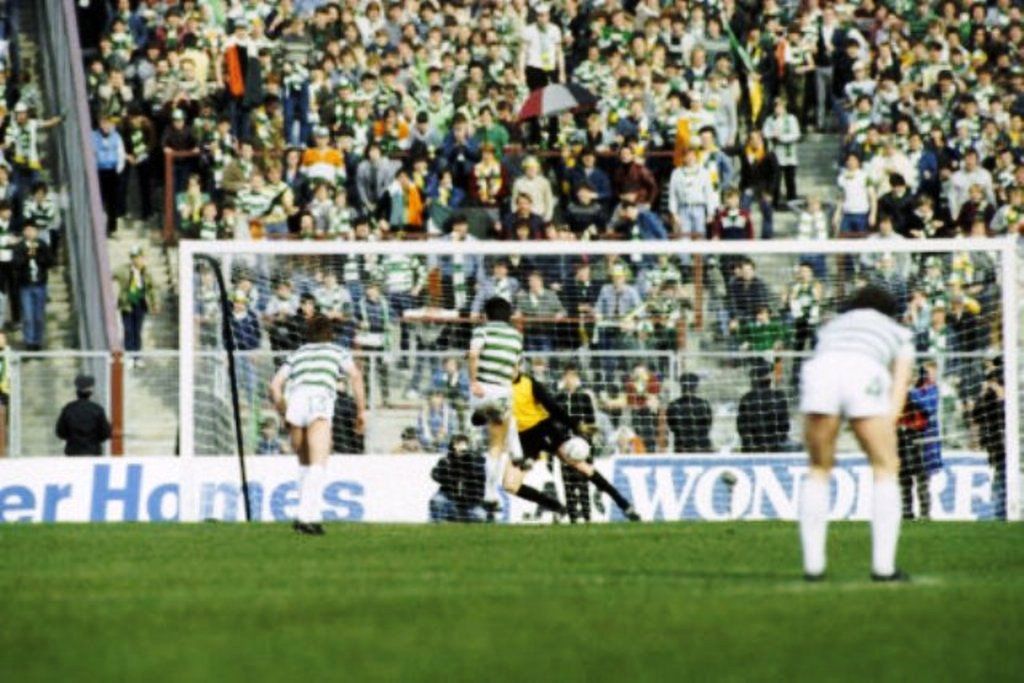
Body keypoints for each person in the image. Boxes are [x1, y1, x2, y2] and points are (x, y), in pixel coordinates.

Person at [798, 285, 915, 582]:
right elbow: (899, 386)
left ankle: (813, 568)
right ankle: (884, 568)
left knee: (818, 468)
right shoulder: (898, 333)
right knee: (885, 466)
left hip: (820, 370)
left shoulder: (833, 326)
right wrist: (882, 426)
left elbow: (820, 357)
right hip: (864, 370)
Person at [476, 366, 640, 521]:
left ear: (518, 366)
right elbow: (476, 420)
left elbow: (553, 407)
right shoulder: (498, 390)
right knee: (510, 485)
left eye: (513, 366)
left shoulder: (529, 383)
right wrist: (485, 413)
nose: (509, 370)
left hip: (544, 429)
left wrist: (576, 426)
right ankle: (556, 507)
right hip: (523, 439)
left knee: (582, 467)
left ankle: (624, 505)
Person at [269, 316, 366, 535]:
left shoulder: (298, 353)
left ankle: (311, 517)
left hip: (296, 400)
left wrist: (283, 412)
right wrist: (361, 411)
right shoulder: (337, 351)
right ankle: (304, 517)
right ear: (330, 334)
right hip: (319, 399)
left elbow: (274, 386)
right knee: (318, 463)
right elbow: (356, 376)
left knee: (304, 464)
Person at [467, 296, 524, 512]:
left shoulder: (482, 330)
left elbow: (474, 355)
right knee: (497, 444)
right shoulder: (516, 337)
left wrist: (473, 381)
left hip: (481, 391)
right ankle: (516, 453)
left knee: (497, 432)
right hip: (502, 391)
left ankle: (490, 493)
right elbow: (516, 372)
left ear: (486, 314)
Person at [897, 363, 941, 520]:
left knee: (922, 478)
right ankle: (906, 512)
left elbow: (928, 407)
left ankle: (925, 514)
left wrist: (909, 392)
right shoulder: (902, 391)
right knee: (904, 476)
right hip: (903, 437)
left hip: (923, 440)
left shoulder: (931, 390)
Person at [113, 246, 161, 357]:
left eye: (138, 258)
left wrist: (155, 303)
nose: (136, 260)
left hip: (140, 304)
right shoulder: (124, 270)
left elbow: (153, 288)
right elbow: (110, 274)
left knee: (137, 330)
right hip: (127, 304)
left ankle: (137, 355)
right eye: (134, 258)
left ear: (142, 258)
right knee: (128, 330)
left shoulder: (146, 272)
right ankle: (129, 355)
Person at [429, 434, 487, 523]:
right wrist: (448, 475)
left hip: (469, 502)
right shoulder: (446, 460)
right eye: (458, 444)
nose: (461, 447)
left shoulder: (474, 461)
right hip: (449, 498)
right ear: (453, 446)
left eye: (463, 444)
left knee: (481, 515)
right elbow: (435, 474)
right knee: (437, 501)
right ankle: (436, 526)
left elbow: (480, 479)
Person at [973, 368, 1006, 520]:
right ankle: (1000, 513)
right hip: (997, 446)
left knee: (1002, 478)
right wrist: (982, 395)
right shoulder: (988, 400)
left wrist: (1002, 398)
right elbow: (976, 416)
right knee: (1000, 477)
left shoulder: (1012, 400)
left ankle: (1002, 512)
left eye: (993, 382)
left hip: (1010, 446)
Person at [13, 222, 51, 351]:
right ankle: (29, 341)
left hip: (40, 284)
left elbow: (49, 261)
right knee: (28, 316)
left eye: (32, 230)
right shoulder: (20, 247)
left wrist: (37, 255)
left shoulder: (42, 245)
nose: (30, 233)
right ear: (24, 232)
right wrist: (27, 255)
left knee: (39, 316)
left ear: (36, 231)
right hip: (25, 285)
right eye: (27, 230)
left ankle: (37, 341)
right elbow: (16, 264)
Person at [737, 362, 790, 452]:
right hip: (776, 448)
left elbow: (742, 429)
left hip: (752, 450)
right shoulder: (779, 396)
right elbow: (785, 426)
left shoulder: (746, 399)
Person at [55, 375, 112, 456]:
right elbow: (106, 433)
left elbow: (60, 432)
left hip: (73, 452)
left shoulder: (68, 409)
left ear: (77, 391)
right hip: (93, 452)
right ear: (91, 392)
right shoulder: (97, 409)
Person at [92, 114, 127, 235]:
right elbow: (91, 153)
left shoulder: (116, 137)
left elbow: (121, 153)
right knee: (99, 200)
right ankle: (98, 227)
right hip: (99, 172)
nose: (106, 126)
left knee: (112, 201)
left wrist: (118, 169)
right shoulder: (93, 136)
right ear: (100, 124)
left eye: (109, 124)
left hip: (112, 172)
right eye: (104, 123)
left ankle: (112, 228)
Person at [666, 373, 712, 453]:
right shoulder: (704, 404)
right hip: (702, 447)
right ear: (696, 386)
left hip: (682, 447)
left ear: (681, 386)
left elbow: (671, 426)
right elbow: (708, 425)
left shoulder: (674, 405)